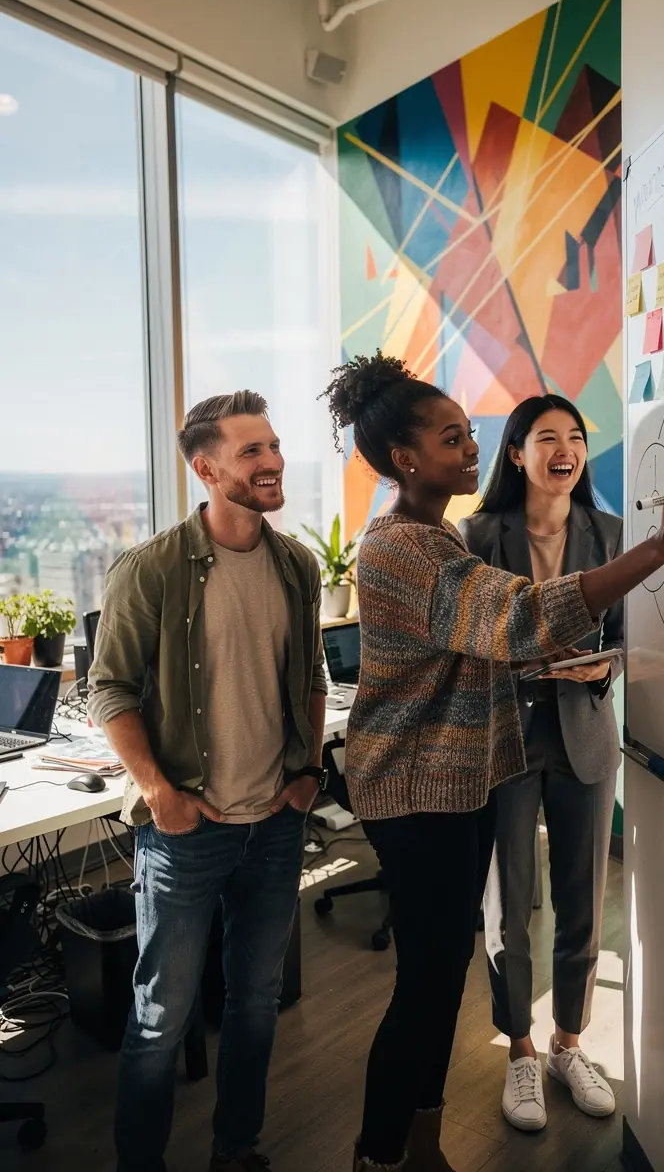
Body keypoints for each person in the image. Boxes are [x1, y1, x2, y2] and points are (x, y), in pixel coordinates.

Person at [320, 353, 664, 1172]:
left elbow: (483, 649)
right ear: (403, 457)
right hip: (416, 790)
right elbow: (518, 619)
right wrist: (662, 548)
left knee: (439, 982)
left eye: (471, 435)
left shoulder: (434, 533)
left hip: (459, 781)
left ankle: (422, 1149)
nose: (473, 448)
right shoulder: (403, 547)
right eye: (454, 438)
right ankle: (379, 1156)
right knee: (424, 991)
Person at [88, 390, 328, 1172]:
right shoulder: (151, 569)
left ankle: (237, 1150)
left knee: (255, 1004)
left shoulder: (296, 564)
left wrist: (309, 772)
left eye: (274, 446)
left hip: (276, 822)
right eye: (252, 451)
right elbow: (110, 689)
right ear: (207, 467)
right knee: (160, 1019)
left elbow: (314, 676)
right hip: (186, 831)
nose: (273, 462)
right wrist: (158, 789)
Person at [460, 394, 623, 1133]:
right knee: (510, 907)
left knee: (583, 904)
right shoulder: (478, 535)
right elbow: (463, 642)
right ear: (517, 452)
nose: (566, 449)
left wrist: (604, 668)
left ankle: (567, 1043)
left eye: (577, 438)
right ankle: (519, 1048)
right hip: (506, 738)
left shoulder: (613, 534)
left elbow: (629, 638)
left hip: (584, 734)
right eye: (547, 437)